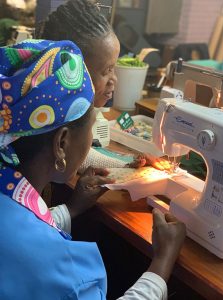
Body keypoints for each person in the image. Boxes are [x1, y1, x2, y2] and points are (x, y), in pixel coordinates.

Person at [0, 39, 186, 299]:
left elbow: (21, 228)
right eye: (91, 126)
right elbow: (29, 246)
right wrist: (161, 265)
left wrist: (71, 209)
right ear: (62, 142)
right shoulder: (53, 269)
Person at [37, 0, 171, 232]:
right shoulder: (46, 135)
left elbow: (80, 156)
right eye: (107, 70)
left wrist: (129, 164)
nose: (115, 79)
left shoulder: (40, 115)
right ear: (74, 70)